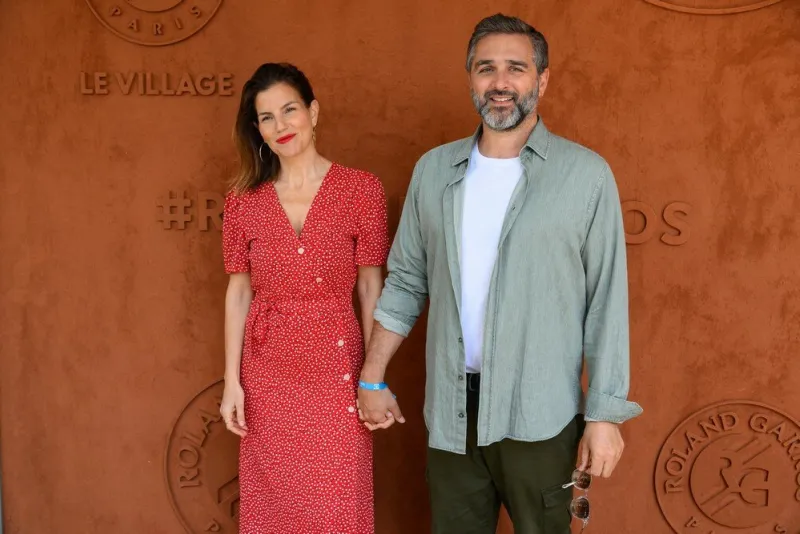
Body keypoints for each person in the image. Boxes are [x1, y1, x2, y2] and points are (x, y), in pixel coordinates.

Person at [357, 13, 643, 534]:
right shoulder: (433, 171)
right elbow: (405, 282)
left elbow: (605, 303)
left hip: (540, 416)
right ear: (471, 78)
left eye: (516, 67)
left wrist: (604, 416)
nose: (500, 82)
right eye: (486, 68)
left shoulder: (585, 176)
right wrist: (372, 376)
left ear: (542, 79)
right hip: (452, 415)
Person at [219, 62, 389, 534]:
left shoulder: (361, 189)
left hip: (337, 371)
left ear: (313, 112)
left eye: (289, 110)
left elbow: (370, 286)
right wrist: (232, 381)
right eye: (267, 117)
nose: (281, 125)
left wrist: (373, 378)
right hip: (267, 374)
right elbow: (239, 291)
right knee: (274, 509)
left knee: (338, 505)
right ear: (258, 130)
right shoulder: (242, 200)